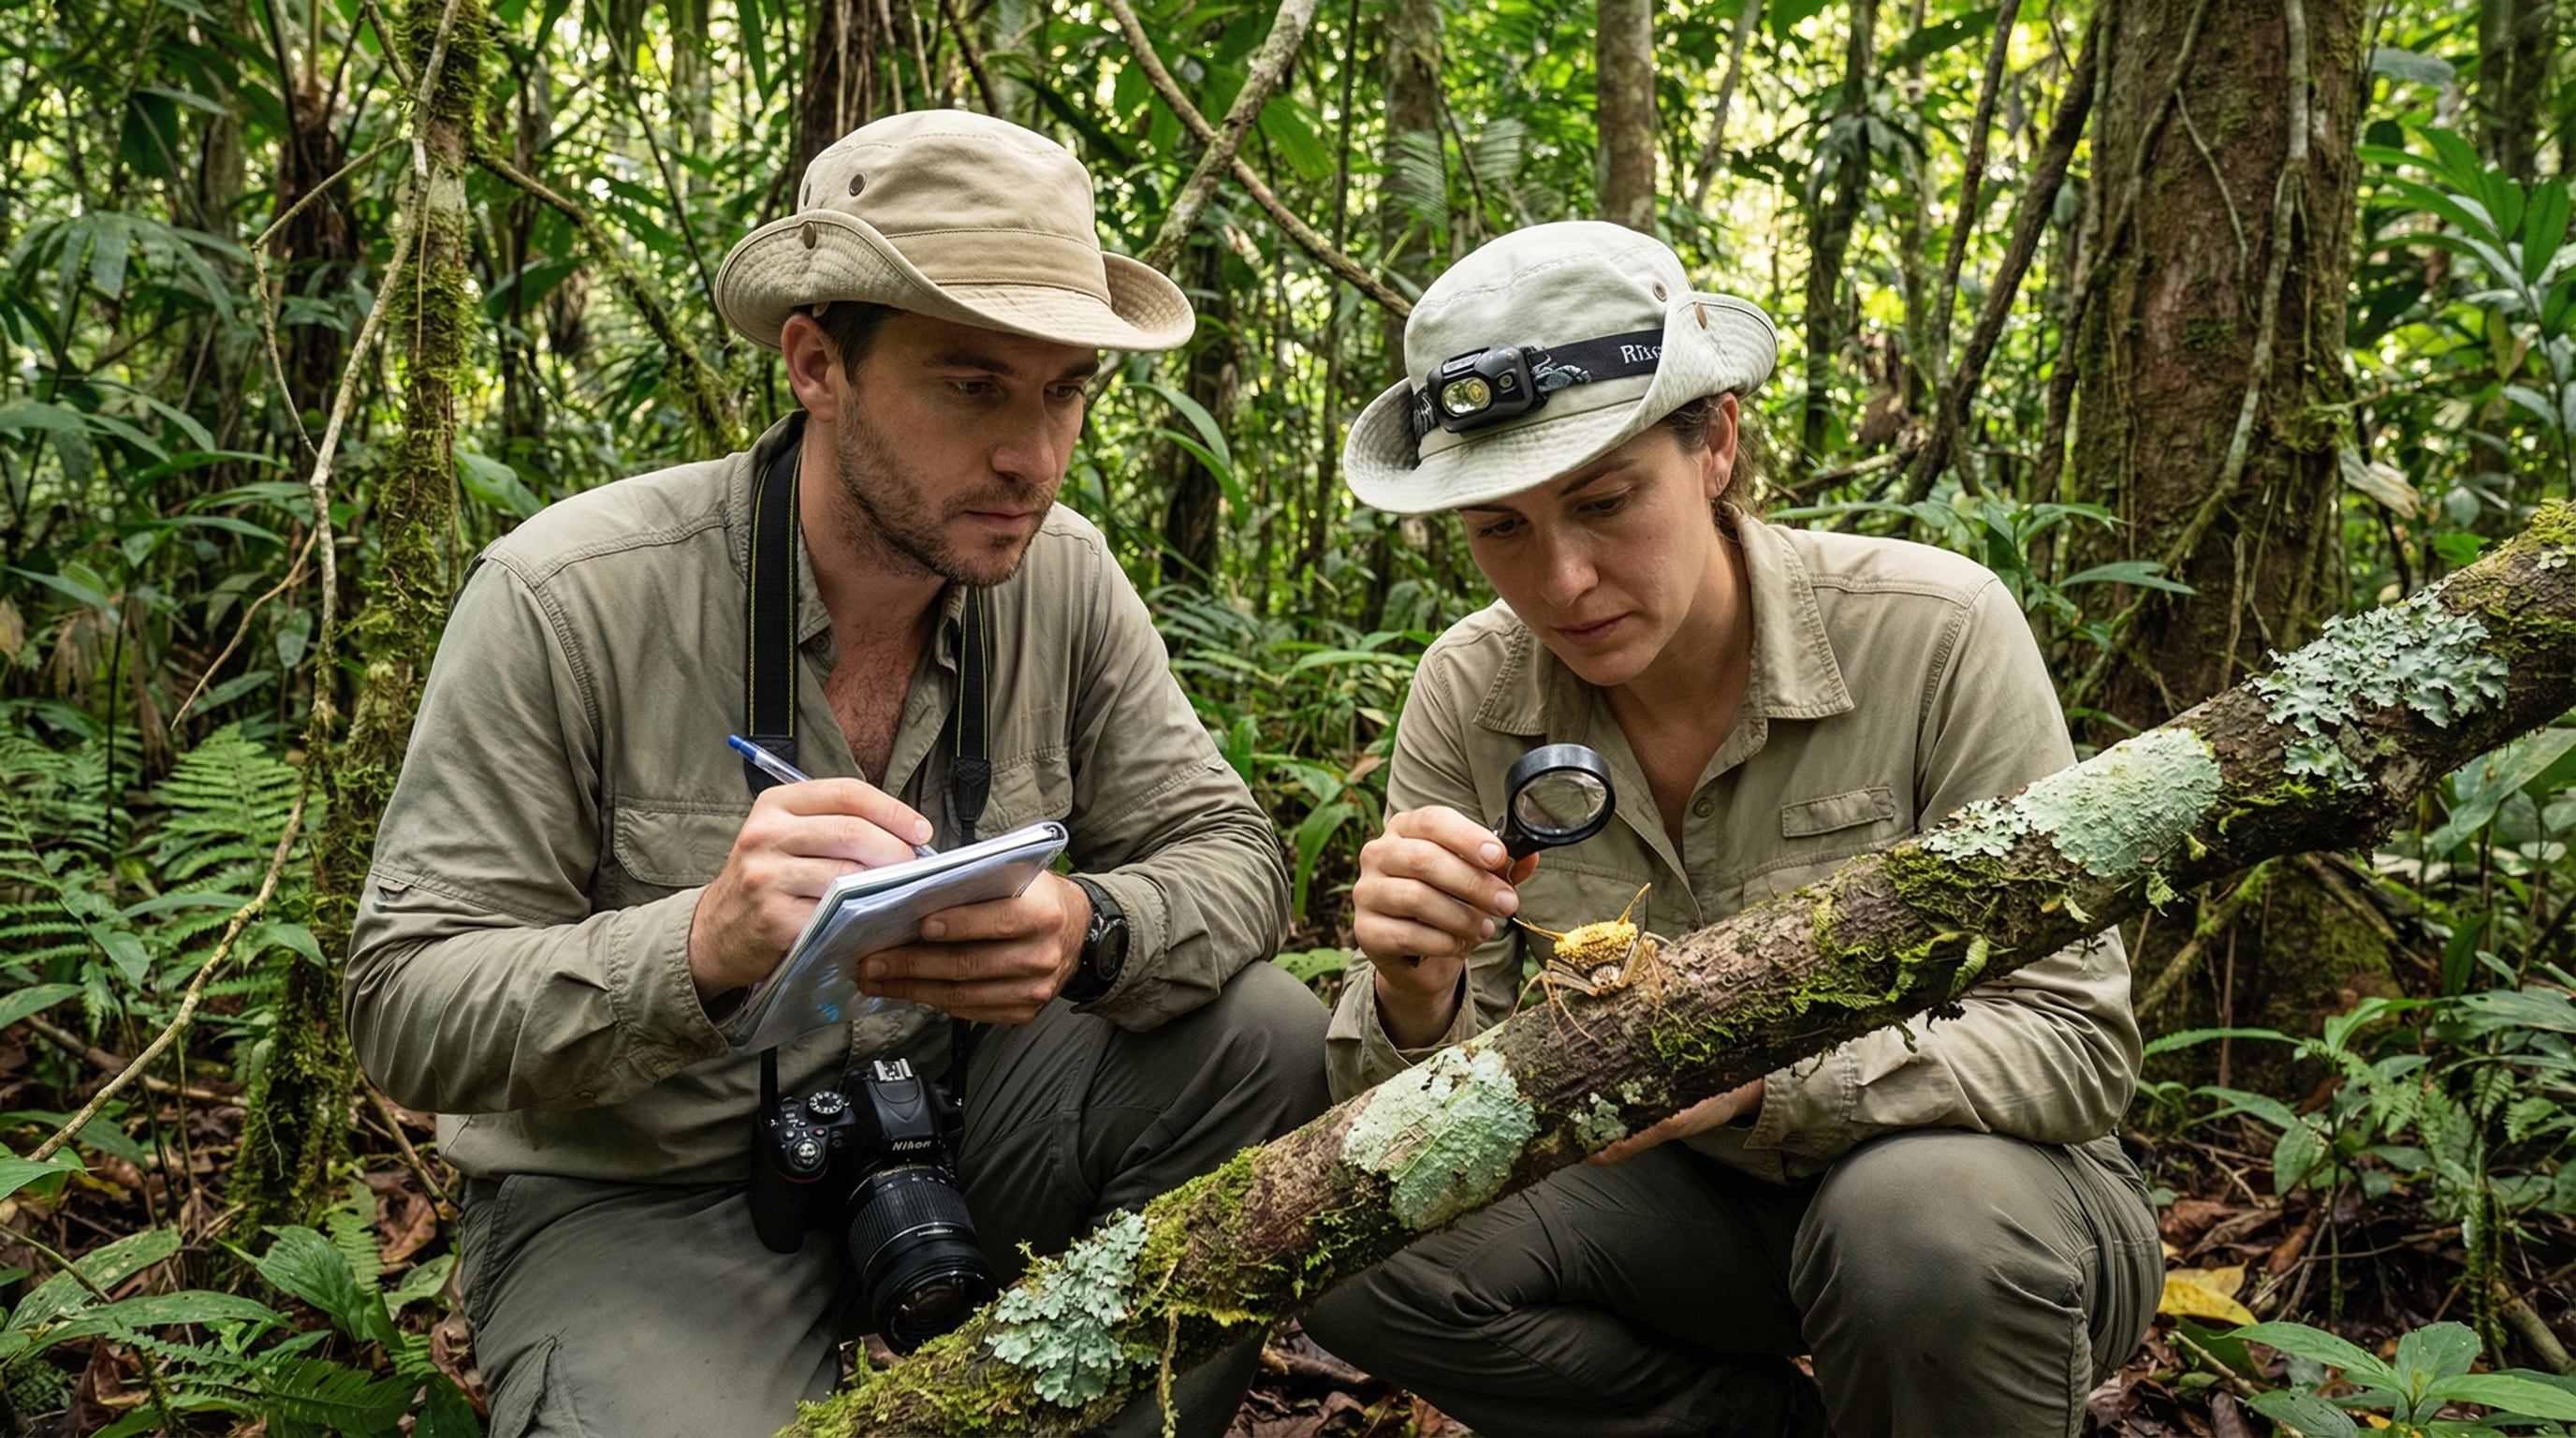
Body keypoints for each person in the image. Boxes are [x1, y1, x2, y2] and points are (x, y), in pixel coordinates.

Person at [344, 110, 1329, 1438]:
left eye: (1066, 390)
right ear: (817, 362)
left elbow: (1236, 858)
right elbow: (405, 1001)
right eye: (973, 385)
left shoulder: (1064, 577)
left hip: (965, 1131)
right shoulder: (570, 596)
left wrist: (1087, 930)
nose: (1031, 457)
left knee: (1260, 1037)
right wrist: (697, 947)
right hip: (656, 1194)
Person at [1298, 221, 2163, 1437]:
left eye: (1605, 503)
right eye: (1501, 529)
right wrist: (1413, 992)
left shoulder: (1934, 635)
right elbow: (1425, 1138)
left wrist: (1766, 1079)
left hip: (1986, 1194)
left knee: (1915, 1230)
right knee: (1347, 1245)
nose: (1561, 583)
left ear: (1715, 445)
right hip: (1681, 1220)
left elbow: (2074, 1047)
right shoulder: (1471, 690)